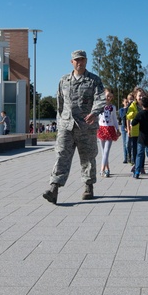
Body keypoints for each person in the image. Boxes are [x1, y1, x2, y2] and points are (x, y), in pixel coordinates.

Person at [42, 50, 106, 204]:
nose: (80, 62)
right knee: (61, 155)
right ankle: (54, 188)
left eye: (82, 59)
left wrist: (94, 113)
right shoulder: (64, 80)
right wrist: (60, 121)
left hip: (86, 126)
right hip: (66, 126)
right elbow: (59, 103)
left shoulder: (94, 80)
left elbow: (100, 99)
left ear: (86, 61)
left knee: (88, 158)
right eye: (77, 60)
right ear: (72, 62)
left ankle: (88, 186)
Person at [96, 89, 120, 178]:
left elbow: (114, 119)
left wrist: (117, 129)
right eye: (107, 96)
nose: (108, 98)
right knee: (103, 152)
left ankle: (102, 169)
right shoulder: (99, 105)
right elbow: (96, 117)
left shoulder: (113, 107)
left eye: (110, 96)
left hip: (110, 129)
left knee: (106, 151)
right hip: (101, 128)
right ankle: (107, 169)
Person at [124, 88, 144, 168]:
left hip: (143, 131)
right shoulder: (133, 105)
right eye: (139, 96)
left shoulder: (146, 105)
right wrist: (128, 129)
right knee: (135, 149)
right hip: (135, 130)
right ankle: (136, 165)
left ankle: (141, 166)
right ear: (136, 96)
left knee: (142, 150)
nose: (141, 97)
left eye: (143, 95)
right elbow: (128, 117)